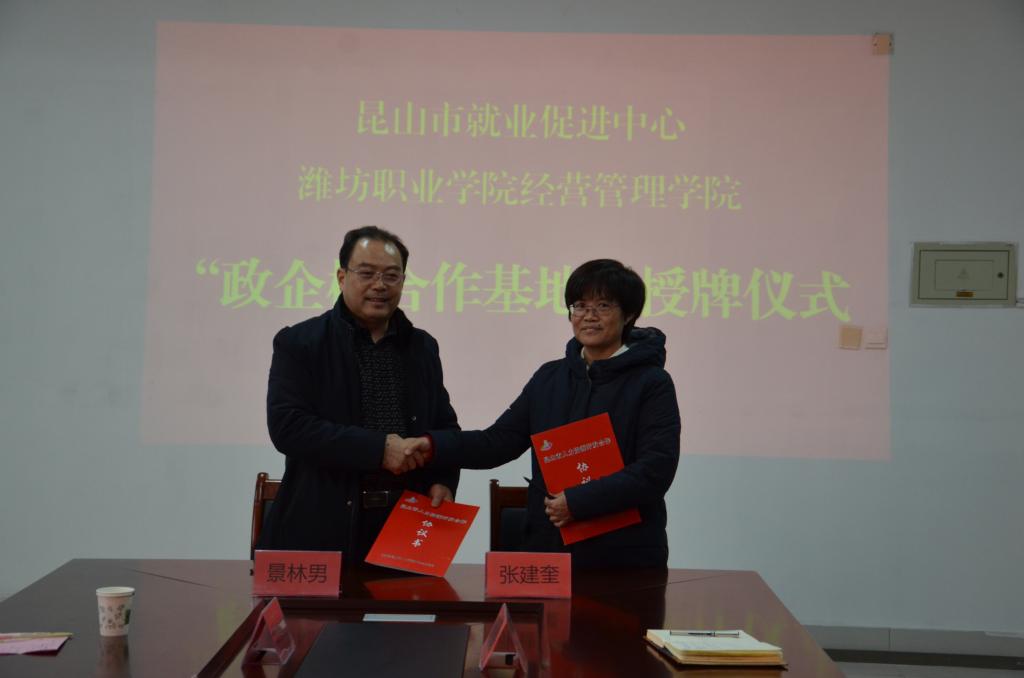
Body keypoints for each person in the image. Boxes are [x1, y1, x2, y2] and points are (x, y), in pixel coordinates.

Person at [408, 259, 681, 568]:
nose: (589, 316)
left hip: (624, 556)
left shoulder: (652, 382)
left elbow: (655, 469)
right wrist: (434, 446)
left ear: (629, 314)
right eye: (580, 306)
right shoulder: (549, 377)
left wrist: (577, 502)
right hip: (550, 550)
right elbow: (498, 441)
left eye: (603, 306)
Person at [257, 226, 460, 563]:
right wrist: (379, 449)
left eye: (391, 276)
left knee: (410, 600)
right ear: (342, 277)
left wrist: (443, 480)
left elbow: (444, 427)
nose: (380, 285)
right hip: (322, 523)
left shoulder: (422, 347)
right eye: (367, 273)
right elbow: (288, 427)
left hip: (405, 525)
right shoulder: (301, 342)